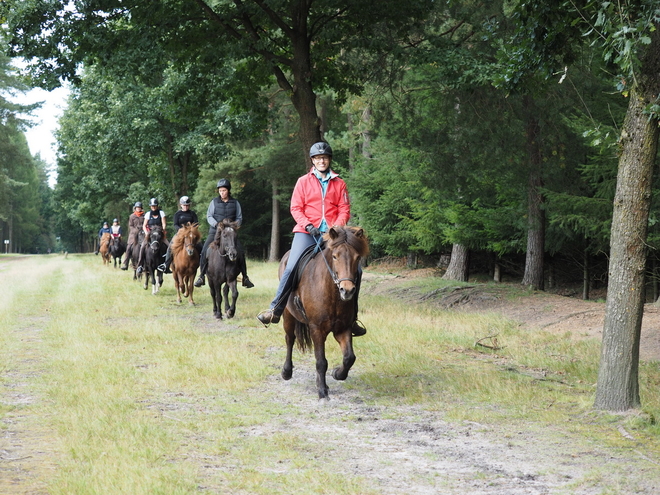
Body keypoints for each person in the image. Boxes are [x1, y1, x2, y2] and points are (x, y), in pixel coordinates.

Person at [256, 141, 366, 336]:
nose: (321, 161)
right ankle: (275, 309)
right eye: (317, 158)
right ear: (313, 161)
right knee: (292, 265)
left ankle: (352, 317)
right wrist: (308, 225)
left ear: (329, 160)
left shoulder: (339, 183)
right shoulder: (303, 182)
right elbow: (296, 208)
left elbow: (344, 209)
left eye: (324, 158)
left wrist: (336, 228)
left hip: (333, 235)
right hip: (306, 233)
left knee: (356, 268)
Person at [194, 178, 254, 288]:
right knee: (204, 251)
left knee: (240, 251)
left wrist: (234, 226)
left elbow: (239, 217)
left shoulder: (235, 203)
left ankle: (245, 277)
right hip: (215, 231)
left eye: (224, 190)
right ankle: (201, 276)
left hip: (230, 232)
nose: (222, 193)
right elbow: (209, 216)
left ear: (228, 191)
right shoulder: (214, 202)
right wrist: (216, 224)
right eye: (220, 191)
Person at [158, 196, 200, 274]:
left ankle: (202, 263)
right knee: (170, 247)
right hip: (180, 234)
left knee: (200, 245)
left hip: (191, 234)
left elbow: (196, 223)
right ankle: (166, 265)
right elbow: (175, 224)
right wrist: (182, 230)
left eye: (187, 205)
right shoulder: (178, 214)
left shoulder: (192, 213)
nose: (186, 207)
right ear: (181, 205)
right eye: (184, 205)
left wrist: (192, 230)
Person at [136, 198, 169, 274]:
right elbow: (144, 225)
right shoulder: (148, 214)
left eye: (154, 206)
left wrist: (162, 230)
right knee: (143, 246)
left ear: (157, 206)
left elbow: (164, 223)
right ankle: (140, 265)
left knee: (169, 246)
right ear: (150, 206)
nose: (153, 207)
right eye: (152, 206)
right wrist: (146, 232)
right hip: (150, 233)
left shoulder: (161, 213)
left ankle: (167, 265)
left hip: (159, 233)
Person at [121, 202, 144, 270]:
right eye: (137, 208)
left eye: (139, 208)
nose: (138, 209)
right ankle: (126, 264)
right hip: (134, 234)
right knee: (128, 247)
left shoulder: (144, 215)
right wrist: (135, 230)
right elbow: (130, 226)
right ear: (135, 208)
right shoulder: (132, 216)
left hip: (143, 233)